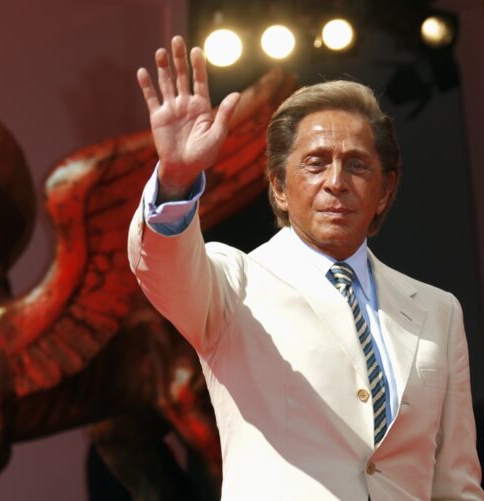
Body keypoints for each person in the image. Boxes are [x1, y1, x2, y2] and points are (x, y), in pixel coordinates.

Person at [127, 35, 483, 499]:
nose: (336, 182)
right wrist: (176, 179)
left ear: (385, 190)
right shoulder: (234, 284)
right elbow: (164, 268)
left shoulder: (439, 311)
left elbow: (456, 484)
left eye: (357, 165)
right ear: (278, 186)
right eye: (316, 164)